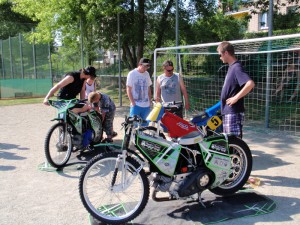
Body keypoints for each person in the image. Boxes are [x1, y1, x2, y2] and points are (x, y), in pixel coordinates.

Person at [217, 41, 255, 138]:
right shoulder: (231, 67)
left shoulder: (236, 67)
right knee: (230, 143)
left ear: (226, 53)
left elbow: (250, 84)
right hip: (228, 111)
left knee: (233, 143)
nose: (220, 57)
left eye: (220, 54)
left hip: (233, 112)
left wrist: (235, 98)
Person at [126, 58, 152, 122]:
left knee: (145, 125)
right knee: (133, 124)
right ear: (140, 65)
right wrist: (133, 102)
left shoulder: (147, 74)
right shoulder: (132, 74)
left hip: (146, 105)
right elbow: (128, 89)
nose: (146, 68)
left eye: (148, 66)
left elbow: (148, 88)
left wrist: (149, 101)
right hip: (136, 105)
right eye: (145, 66)